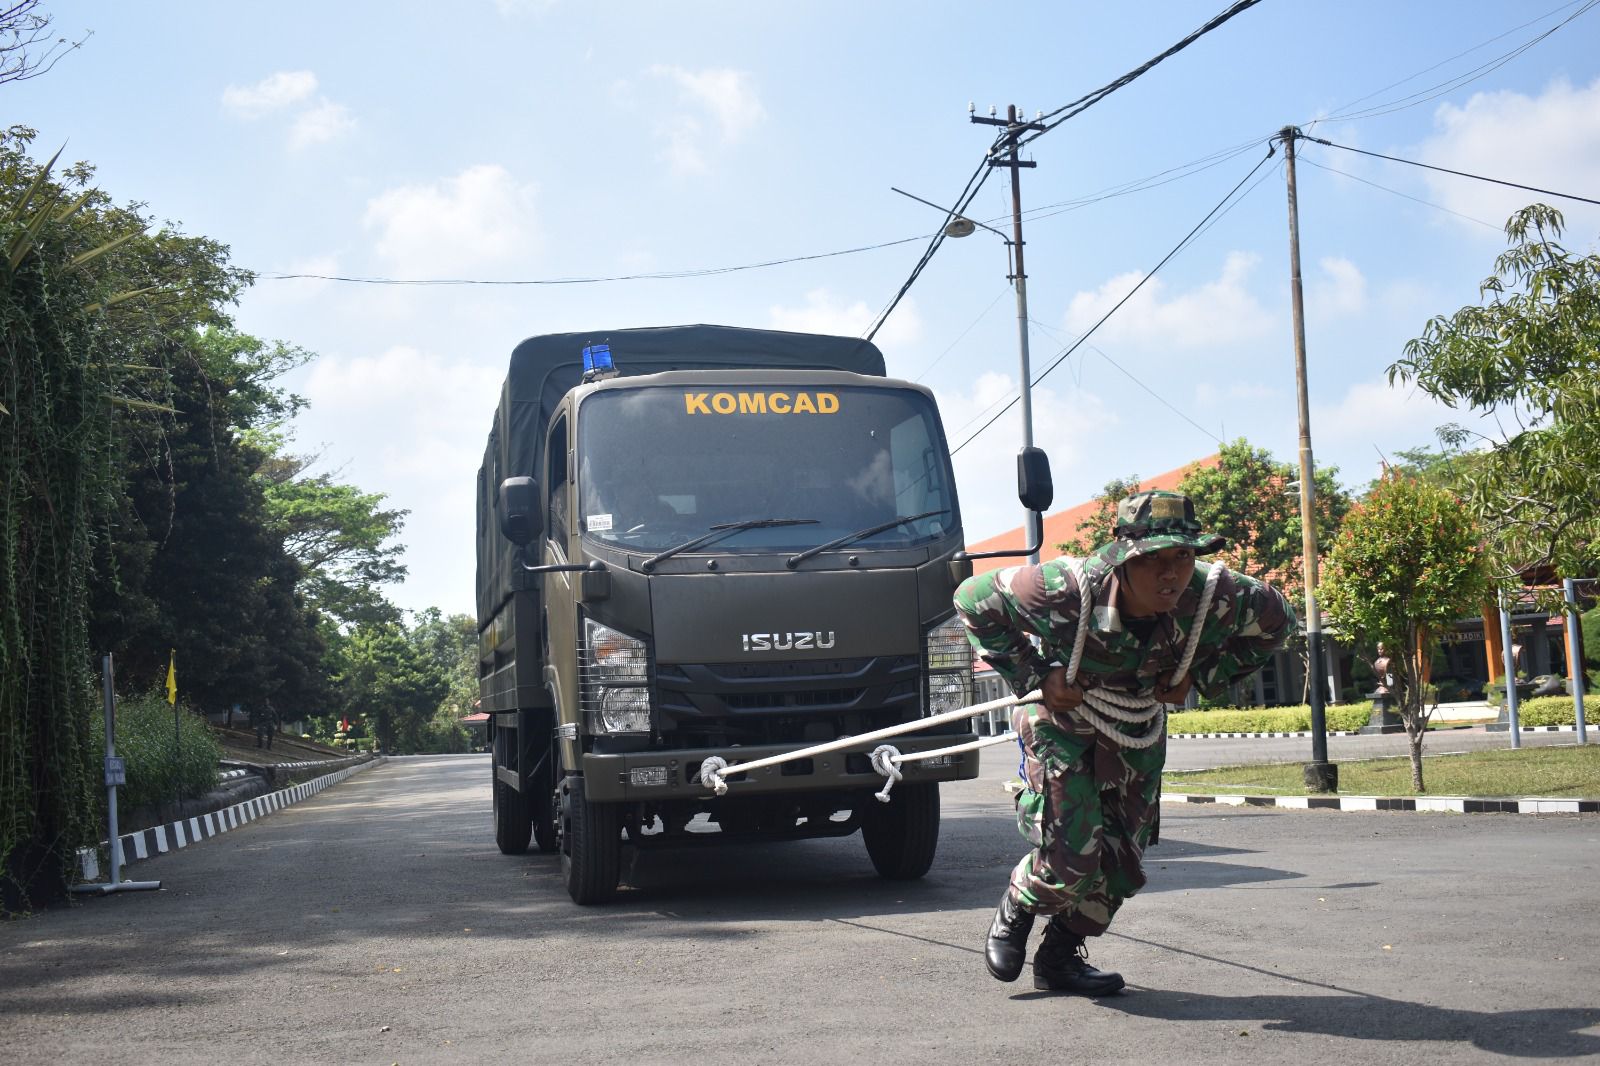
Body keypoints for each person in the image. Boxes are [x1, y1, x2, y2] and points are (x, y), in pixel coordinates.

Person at [954, 489, 1295, 996]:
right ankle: (1020, 904)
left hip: (1135, 724)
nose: (1170, 574)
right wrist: (1036, 673)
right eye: (1152, 559)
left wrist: (1199, 676)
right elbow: (971, 598)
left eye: (1182, 556)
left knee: (1122, 866)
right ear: (1122, 558)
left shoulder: (1218, 593)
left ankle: (1060, 957)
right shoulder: (1065, 587)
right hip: (1062, 718)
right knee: (1073, 854)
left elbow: (1278, 622)